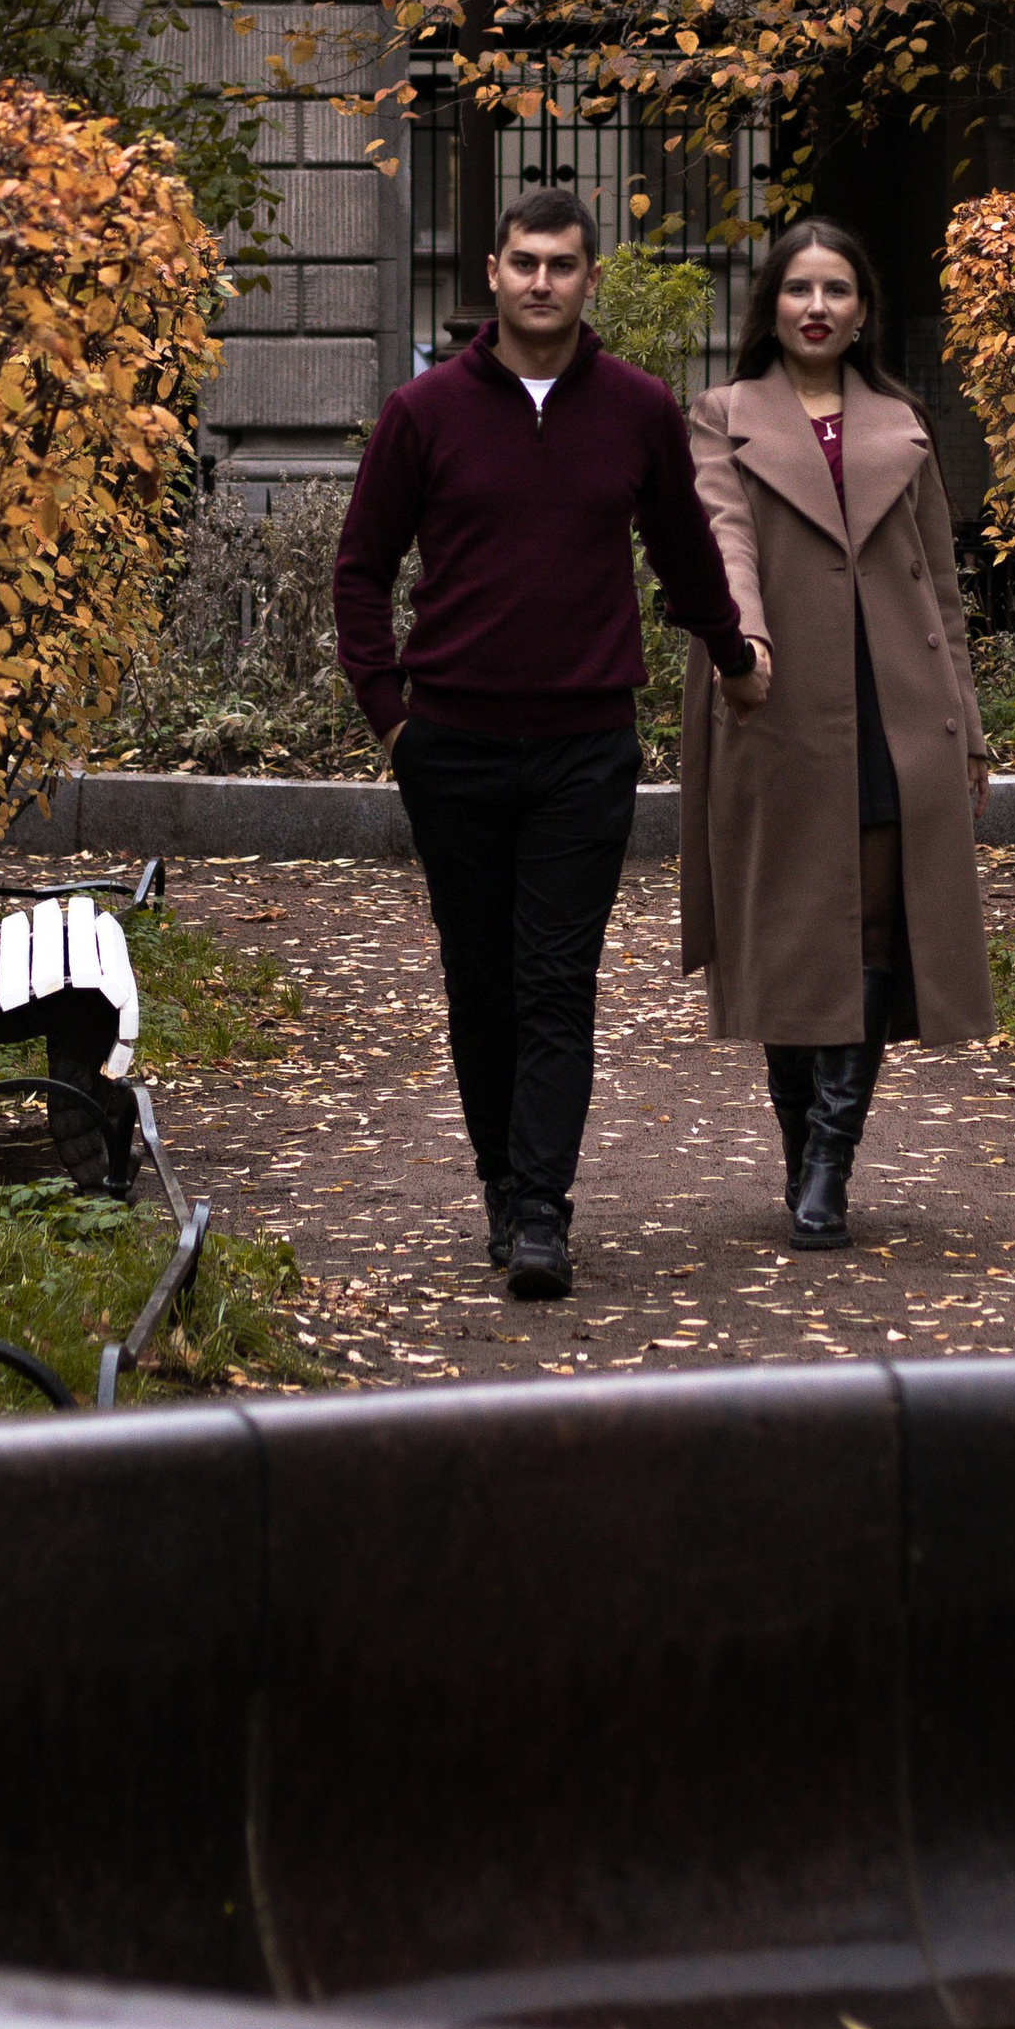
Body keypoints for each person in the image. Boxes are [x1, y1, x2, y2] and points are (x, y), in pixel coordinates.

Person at [332, 187, 764, 1304]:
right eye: (523, 261)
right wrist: (393, 719)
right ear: (490, 270)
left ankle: (541, 1213)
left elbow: (682, 549)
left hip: (585, 746)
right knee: (480, 984)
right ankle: (497, 1178)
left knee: (556, 982)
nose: (541, 281)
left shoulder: (636, 408)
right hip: (455, 745)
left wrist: (731, 653)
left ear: (589, 278)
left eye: (562, 264)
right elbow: (361, 573)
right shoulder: (422, 412)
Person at [678, 219, 995, 1248]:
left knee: (866, 930)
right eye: (799, 288)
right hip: (768, 703)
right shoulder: (721, 416)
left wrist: (971, 733)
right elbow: (720, 540)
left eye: (839, 291)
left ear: (862, 312)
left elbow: (943, 592)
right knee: (782, 934)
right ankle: (795, 1141)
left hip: (892, 704)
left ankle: (828, 1155)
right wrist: (746, 648)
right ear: (770, 303)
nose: (817, 306)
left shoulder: (902, 423)